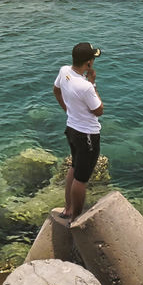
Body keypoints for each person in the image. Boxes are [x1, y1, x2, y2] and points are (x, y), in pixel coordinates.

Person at [53, 42, 104, 219]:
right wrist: (93, 83)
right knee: (81, 179)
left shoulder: (64, 71)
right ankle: (76, 218)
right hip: (87, 135)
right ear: (88, 63)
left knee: (74, 168)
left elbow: (56, 91)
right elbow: (99, 110)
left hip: (72, 129)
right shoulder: (85, 86)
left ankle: (68, 208)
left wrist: (68, 111)